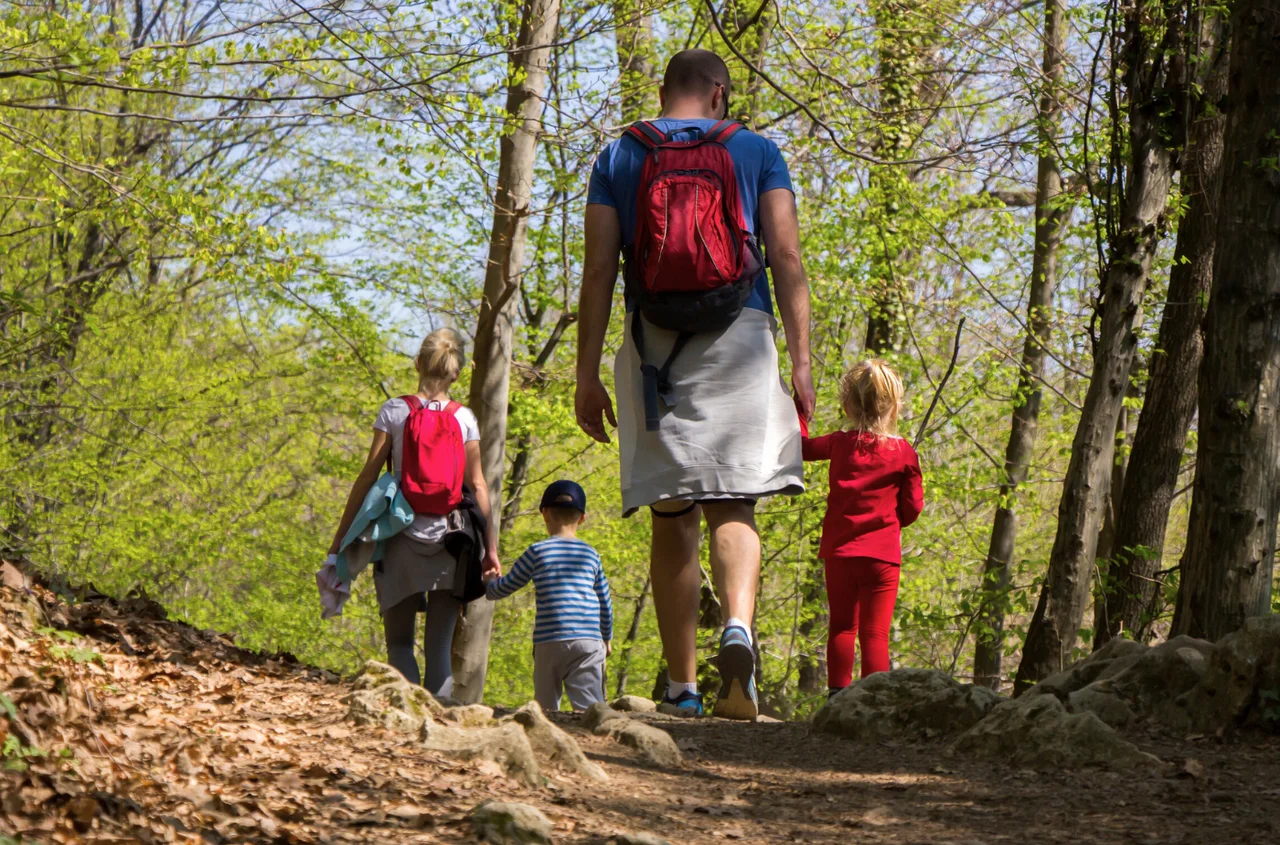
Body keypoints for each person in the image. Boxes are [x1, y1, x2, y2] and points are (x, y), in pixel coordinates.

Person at [574, 48, 814, 719]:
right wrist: (800, 362)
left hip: (657, 350)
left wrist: (586, 373)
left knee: (672, 514)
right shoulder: (756, 150)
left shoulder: (621, 155)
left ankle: (682, 687)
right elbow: (787, 255)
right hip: (742, 335)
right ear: (719, 93)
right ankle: (737, 626)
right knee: (734, 504)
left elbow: (598, 270)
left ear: (663, 91)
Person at [328, 328, 501, 696]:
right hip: (451, 543)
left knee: (401, 644)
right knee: (439, 649)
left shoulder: (394, 411)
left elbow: (367, 477)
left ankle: (410, 727)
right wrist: (491, 550)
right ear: (457, 373)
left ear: (418, 363)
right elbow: (479, 486)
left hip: (398, 537)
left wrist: (340, 538)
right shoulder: (464, 418)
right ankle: (439, 729)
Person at [802, 360, 923, 696]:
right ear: (896, 407)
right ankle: (874, 700)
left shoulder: (839, 443)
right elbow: (912, 509)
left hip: (840, 553)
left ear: (847, 406)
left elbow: (801, 447)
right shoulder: (904, 453)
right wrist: (892, 518)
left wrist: (799, 410)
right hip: (882, 558)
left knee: (841, 627)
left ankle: (837, 696)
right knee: (875, 634)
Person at [485, 480, 614, 712]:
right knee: (591, 710)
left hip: (549, 640)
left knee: (545, 709)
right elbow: (604, 600)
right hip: (588, 640)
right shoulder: (591, 555)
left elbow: (506, 587)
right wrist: (607, 637)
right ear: (582, 518)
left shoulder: (536, 551)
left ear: (544, 514)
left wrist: (489, 583)